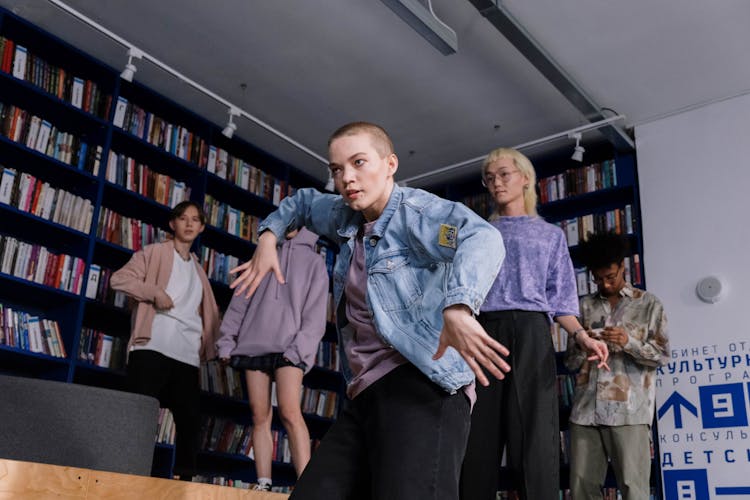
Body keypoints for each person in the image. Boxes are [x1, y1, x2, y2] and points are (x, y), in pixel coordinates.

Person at [230, 121, 511, 500]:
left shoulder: (417, 214)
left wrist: (459, 306)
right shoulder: (345, 216)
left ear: (390, 164)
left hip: (423, 385)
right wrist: (267, 237)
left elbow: (482, 237)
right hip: (365, 393)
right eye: (337, 169)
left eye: (359, 162)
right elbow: (302, 204)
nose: (347, 178)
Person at [460, 147, 609, 500]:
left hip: (532, 333)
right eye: (490, 177)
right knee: (478, 438)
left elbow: (561, 300)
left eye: (504, 174)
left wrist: (582, 336)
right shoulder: (477, 233)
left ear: (526, 178)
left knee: (536, 439)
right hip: (483, 333)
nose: (496, 182)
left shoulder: (550, 236)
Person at [111, 200, 220, 481]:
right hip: (153, 346)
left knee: (189, 421)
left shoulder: (199, 271)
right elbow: (118, 280)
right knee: (138, 413)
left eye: (195, 220)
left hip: (186, 355)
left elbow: (208, 315)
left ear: (201, 227)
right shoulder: (155, 252)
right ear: (173, 223)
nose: (189, 224)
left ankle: (184, 481)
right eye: (183, 218)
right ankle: (126, 472)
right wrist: (154, 292)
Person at [216, 227, 329, 491]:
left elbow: (315, 315)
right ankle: (264, 482)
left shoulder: (315, 262)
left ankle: (306, 486)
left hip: (291, 348)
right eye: (288, 221)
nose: (291, 227)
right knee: (259, 415)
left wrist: (298, 349)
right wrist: (226, 342)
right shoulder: (263, 254)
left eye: (298, 223)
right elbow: (239, 301)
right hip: (253, 344)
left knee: (290, 412)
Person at [565, 231, 668, 500]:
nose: (605, 284)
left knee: (634, 491)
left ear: (623, 265)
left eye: (610, 276)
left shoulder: (648, 304)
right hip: (585, 413)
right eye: (598, 278)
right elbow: (570, 362)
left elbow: (662, 356)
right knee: (581, 492)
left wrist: (628, 342)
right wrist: (582, 341)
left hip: (629, 412)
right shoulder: (583, 306)